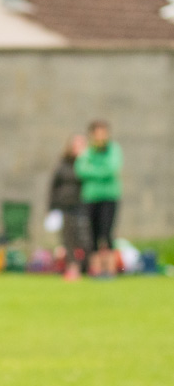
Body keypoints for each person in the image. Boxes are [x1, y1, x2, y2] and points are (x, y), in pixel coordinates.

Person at [75, 120, 123, 278]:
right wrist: (100, 172)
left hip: (109, 197)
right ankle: (95, 270)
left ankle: (109, 270)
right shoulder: (87, 151)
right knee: (93, 233)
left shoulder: (113, 150)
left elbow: (112, 168)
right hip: (91, 197)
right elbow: (81, 170)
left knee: (106, 232)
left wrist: (94, 171)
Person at [49, 134, 88, 281]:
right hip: (65, 206)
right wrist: (51, 208)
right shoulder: (63, 164)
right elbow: (54, 186)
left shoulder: (87, 164)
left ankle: (85, 266)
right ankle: (73, 268)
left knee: (84, 239)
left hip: (83, 205)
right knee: (68, 238)